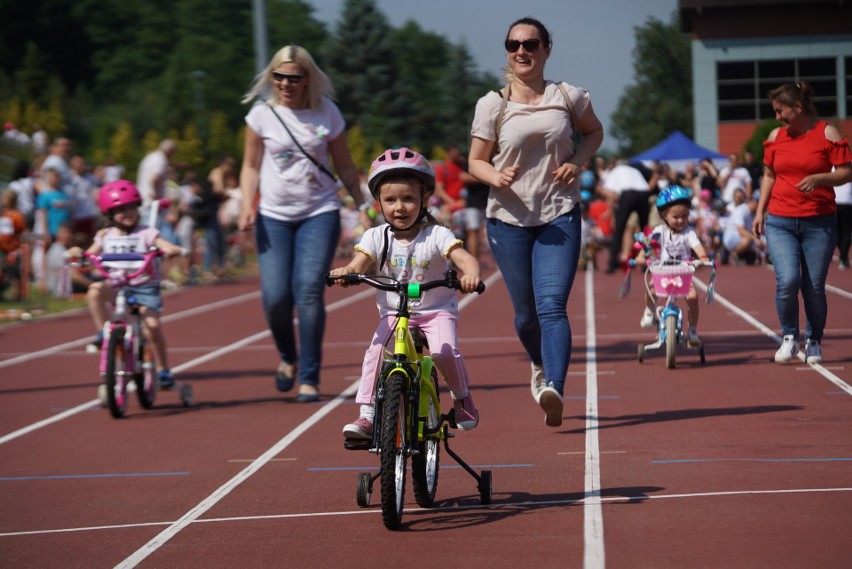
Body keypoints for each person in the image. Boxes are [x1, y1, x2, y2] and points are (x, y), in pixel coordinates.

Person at [468, 17, 603, 427]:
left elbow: (594, 133)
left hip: (558, 214)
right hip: (507, 220)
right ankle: (539, 365)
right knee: (526, 315)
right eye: (513, 44)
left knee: (551, 307)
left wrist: (578, 162)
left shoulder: (569, 96)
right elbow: (475, 160)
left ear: (547, 49)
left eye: (530, 43)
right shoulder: (494, 104)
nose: (521, 51)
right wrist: (496, 176)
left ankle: (555, 388)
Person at [238, 44, 365, 402]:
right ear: (271, 77)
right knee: (276, 297)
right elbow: (249, 165)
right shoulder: (261, 115)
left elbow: (345, 166)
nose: (286, 84)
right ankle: (287, 357)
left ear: (307, 78)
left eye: (294, 77)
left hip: (319, 213)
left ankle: (309, 375)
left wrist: (364, 205)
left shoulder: (327, 113)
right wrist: (247, 204)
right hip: (273, 216)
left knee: (308, 291)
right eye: (279, 76)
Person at [329, 148, 482, 438]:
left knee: (443, 351)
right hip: (394, 313)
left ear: (425, 199)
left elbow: (464, 258)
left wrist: (471, 274)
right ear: (379, 203)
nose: (400, 207)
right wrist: (346, 273)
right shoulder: (376, 236)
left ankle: (462, 397)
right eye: (391, 200)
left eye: (408, 199)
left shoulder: (436, 234)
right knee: (375, 352)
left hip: (435, 311)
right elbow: (357, 264)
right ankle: (368, 415)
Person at [752, 81, 852, 365]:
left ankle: (814, 340)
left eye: (780, 111)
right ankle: (789, 337)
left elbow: (846, 173)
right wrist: (760, 212)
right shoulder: (776, 136)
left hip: (819, 223)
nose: (777, 117)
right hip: (780, 220)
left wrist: (820, 178)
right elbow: (769, 175)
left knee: (814, 287)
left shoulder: (826, 132)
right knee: (788, 281)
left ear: (798, 107)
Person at [72, 180, 186, 387]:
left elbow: (162, 244)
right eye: (121, 210)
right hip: (117, 284)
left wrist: (171, 248)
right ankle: (103, 333)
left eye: (132, 207)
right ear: (109, 214)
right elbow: (91, 253)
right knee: (95, 290)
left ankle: (163, 369)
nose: (128, 213)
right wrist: (78, 254)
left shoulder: (146, 232)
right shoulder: (105, 235)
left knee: (151, 326)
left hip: (144, 285)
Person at [636, 186, 710, 345]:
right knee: (651, 290)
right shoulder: (659, 231)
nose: (681, 220)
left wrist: (703, 257)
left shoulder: (689, 233)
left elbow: (697, 247)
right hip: (663, 272)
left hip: (684, 273)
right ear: (664, 215)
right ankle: (649, 312)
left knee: (693, 296)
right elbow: (649, 244)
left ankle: (692, 331)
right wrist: (642, 256)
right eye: (675, 217)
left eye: (684, 216)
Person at [601, 159, 652, 273]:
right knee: (645, 230)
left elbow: (609, 192)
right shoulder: (635, 170)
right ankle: (645, 263)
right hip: (644, 194)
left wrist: (611, 207)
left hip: (628, 195)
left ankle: (612, 264)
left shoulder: (616, 170)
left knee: (619, 229)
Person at [722, 191, 766, 265]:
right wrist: (755, 239)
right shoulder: (741, 210)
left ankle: (752, 257)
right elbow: (741, 231)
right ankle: (733, 256)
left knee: (765, 241)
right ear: (753, 202)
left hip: (744, 237)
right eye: (759, 203)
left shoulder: (755, 213)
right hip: (732, 237)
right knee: (747, 241)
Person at [834, 172, 852, 270]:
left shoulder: (831, 165)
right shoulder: (848, 165)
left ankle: (843, 256)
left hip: (836, 201)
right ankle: (843, 257)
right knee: (846, 231)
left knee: (839, 230)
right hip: (847, 201)